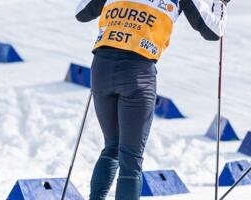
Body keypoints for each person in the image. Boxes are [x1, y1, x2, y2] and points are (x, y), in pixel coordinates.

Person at [74, 0, 228, 199]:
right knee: (130, 159)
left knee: (112, 146)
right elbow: (212, 31)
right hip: (137, 71)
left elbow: (82, 13)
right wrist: (221, 3)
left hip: (101, 68)